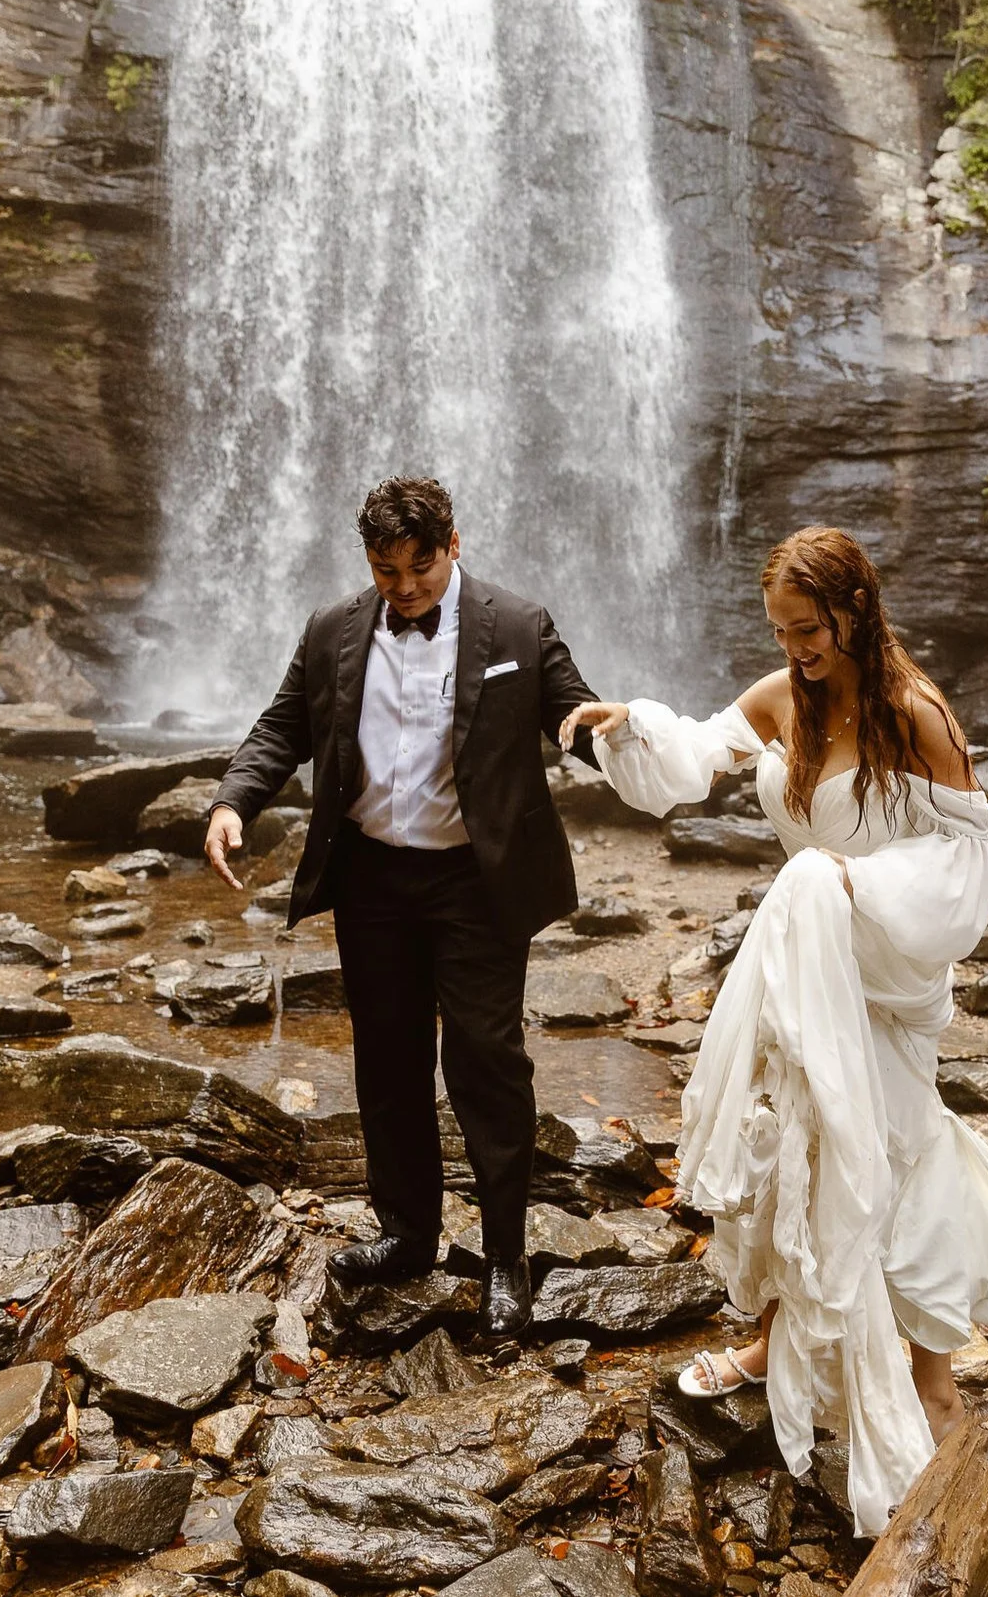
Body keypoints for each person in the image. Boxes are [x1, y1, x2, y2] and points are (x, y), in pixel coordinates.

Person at [558, 526, 988, 1537]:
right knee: (803, 1146)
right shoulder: (783, 695)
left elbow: (962, 874)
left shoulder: (919, 715)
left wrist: (843, 885)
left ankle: (929, 1370)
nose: (793, 649)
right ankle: (784, 1337)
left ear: (857, 610)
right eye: (779, 631)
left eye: (808, 629)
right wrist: (631, 727)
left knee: (893, 1151)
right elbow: (694, 755)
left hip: (885, 970)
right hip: (804, 967)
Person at [205, 476, 600, 1340]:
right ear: (370, 563)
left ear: (453, 547)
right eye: (388, 572)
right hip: (373, 877)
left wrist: (643, 746)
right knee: (386, 1063)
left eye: (420, 568)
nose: (406, 587)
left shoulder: (519, 626)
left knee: (487, 1063)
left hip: (476, 880)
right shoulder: (333, 630)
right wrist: (234, 801)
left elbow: (576, 715)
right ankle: (408, 1236)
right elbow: (282, 727)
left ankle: (504, 1256)